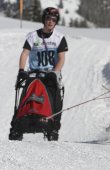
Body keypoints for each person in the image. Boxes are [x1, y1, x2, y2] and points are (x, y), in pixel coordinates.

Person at [10, 7, 68, 140]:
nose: (51, 22)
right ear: (44, 19)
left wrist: (55, 72)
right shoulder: (32, 36)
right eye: (48, 18)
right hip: (34, 74)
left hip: (50, 74)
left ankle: (54, 128)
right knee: (24, 97)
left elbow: (61, 58)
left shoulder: (59, 38)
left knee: (56, 99)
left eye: (54, 20)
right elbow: (25, 53)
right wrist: (21, 71)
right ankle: (17, 126)